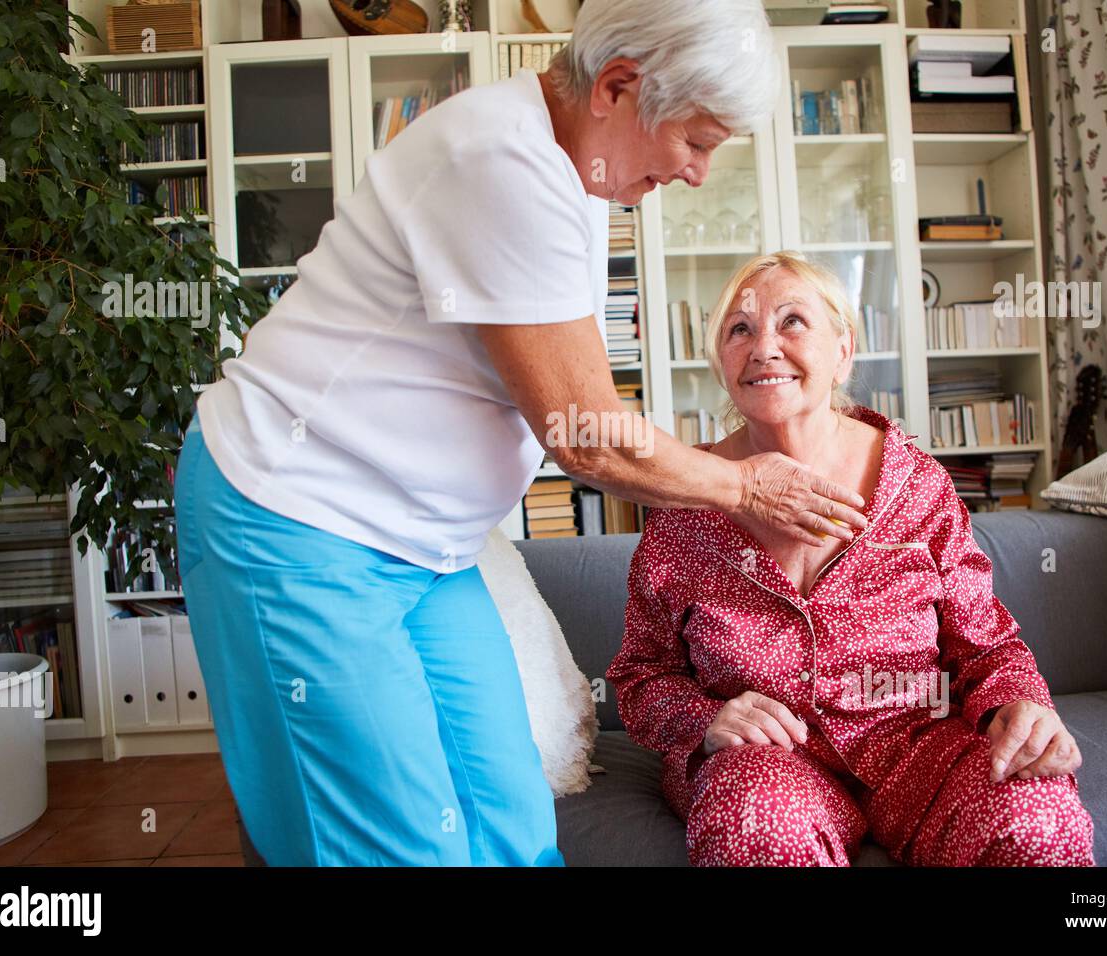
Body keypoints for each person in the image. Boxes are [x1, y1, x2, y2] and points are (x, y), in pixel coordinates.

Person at [173, 1, 870, 866]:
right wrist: (746, 484)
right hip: (298, 515)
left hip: (427, 544)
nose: (698, 172)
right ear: (620, 87)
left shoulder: (571, 171)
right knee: (389, 845)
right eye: (697, 141)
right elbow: (589, 437)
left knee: (509, 818)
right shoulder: (501, 158)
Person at [607, 252, 1096, 866]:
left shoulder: (914, 482)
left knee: (1036, 818)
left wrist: (1020, 707)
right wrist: (706, 719)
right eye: (740, 328)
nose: (764, 348)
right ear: (721, 364)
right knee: (756, 823)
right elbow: (640, 674)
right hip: (768, 762)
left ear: (843, 350)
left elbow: (985, 644)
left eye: (792, 322)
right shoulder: (687, 500)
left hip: (916, 747)